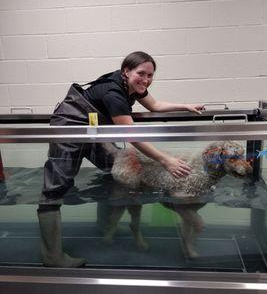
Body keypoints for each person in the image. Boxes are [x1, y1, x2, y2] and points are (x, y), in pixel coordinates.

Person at [37, 51, 205, 268]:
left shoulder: (133, 86)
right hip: (69, 127)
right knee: (54, 190)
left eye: (150, 75)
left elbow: (154, 106)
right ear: (126, 71)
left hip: (92, 128)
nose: (145, 79)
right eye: (141, 73)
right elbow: (131, 135)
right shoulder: (114, 94)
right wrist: (166, 160)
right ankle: (52, 257)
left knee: (118, 167)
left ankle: (105, 227)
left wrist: (185, 106)